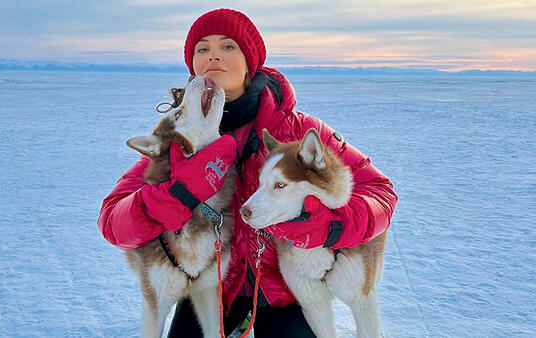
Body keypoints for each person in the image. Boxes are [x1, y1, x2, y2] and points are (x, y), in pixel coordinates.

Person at [97, 8, 398, 337]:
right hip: (208, 289)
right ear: (193, 64)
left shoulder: (299, 131)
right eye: (202, 49)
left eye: (228, 47)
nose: (214, 57)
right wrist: (167, 199)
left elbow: (380, 192)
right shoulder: (177, 141)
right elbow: (114, 222)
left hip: (286, 293)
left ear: (250, 60)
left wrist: (333, 227)